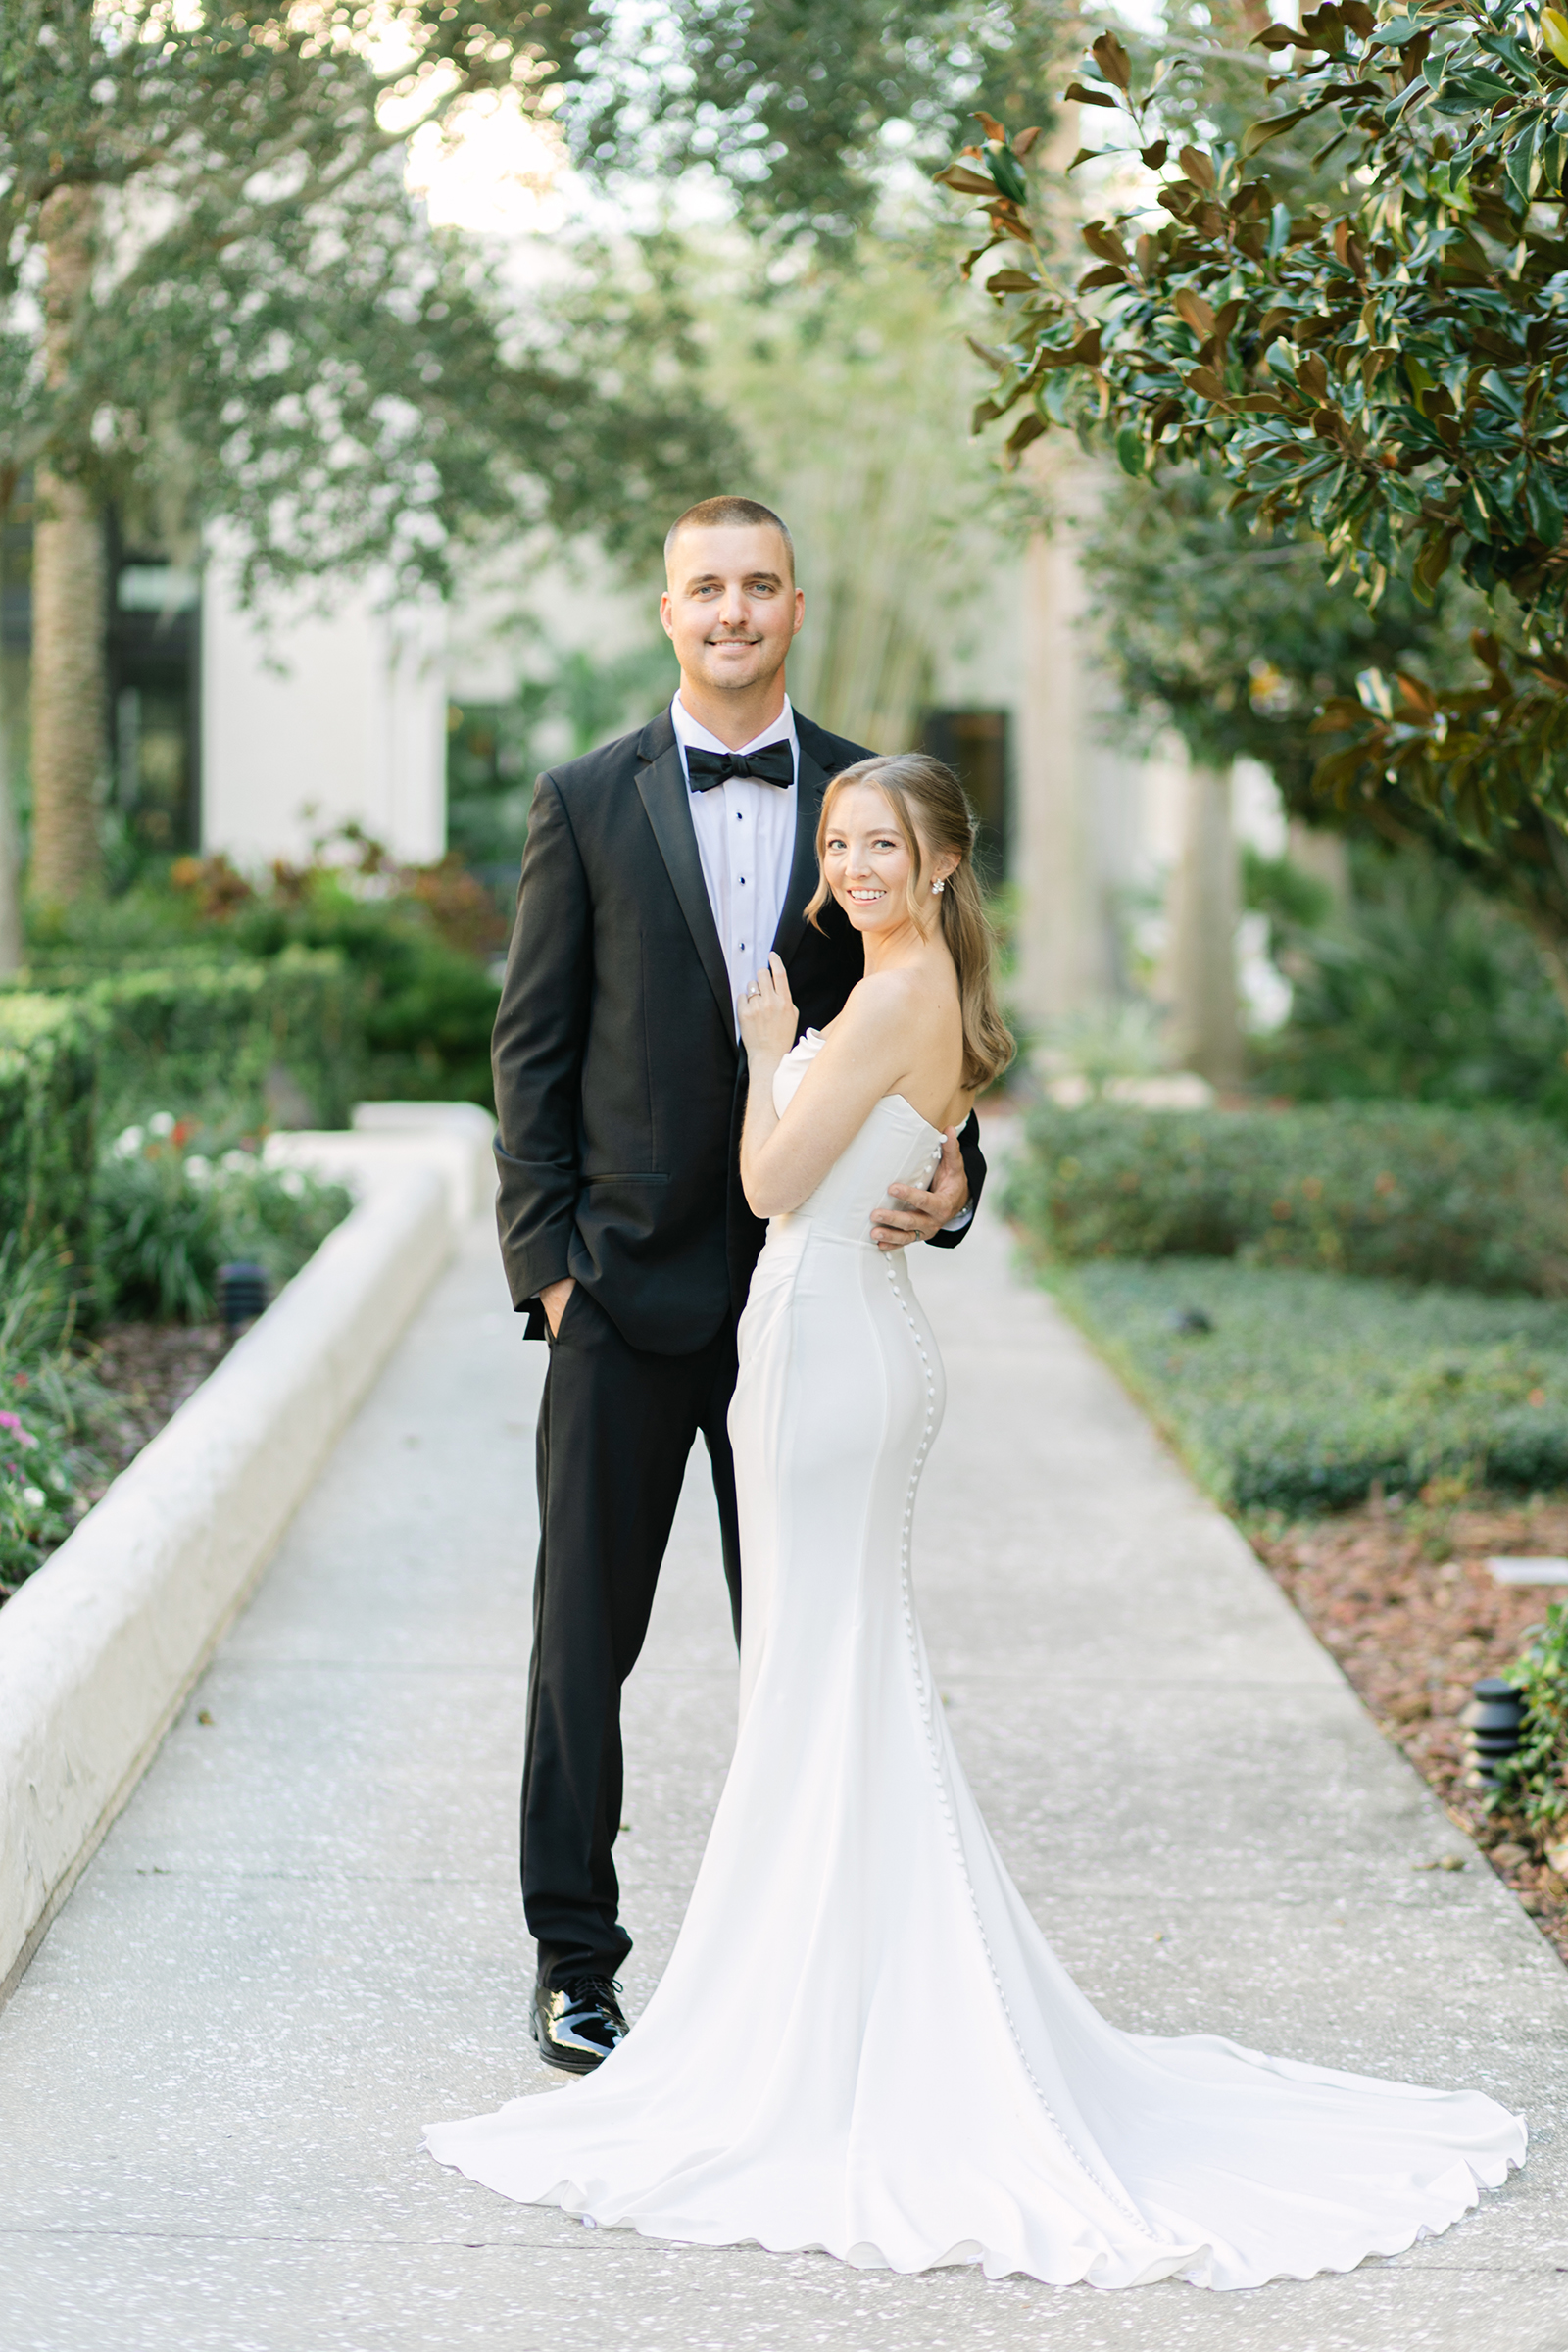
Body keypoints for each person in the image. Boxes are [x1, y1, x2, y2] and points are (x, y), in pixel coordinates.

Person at [428, 753, 1524, 2290]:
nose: (853, 862)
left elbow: (770, 1176)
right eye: (838, 842)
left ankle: (823, 2025)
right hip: (762, 1335)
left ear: (940, 861)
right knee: (793, 1676)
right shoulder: (823, 932)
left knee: (816, 1680)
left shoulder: (886, 986)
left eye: (880, 842)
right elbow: (541, 1041)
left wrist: (770, 1051)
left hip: (823, 1353)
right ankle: (751, 1984)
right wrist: (555, 1256)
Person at [489, 496, 987, 2074]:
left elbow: (944, 1018)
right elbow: (533, 1052)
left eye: (759, 585)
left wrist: (962, 1184)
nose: (732, 611)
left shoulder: (869, 800)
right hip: (622, 1302)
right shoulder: (584, 799)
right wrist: (549, 1272)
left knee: (807, 1635)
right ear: (666, 611)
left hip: (806, 1313)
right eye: (705, 588)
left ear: (794, 604)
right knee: (584, 1646)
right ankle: (576, 1960)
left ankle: (809, 1965)